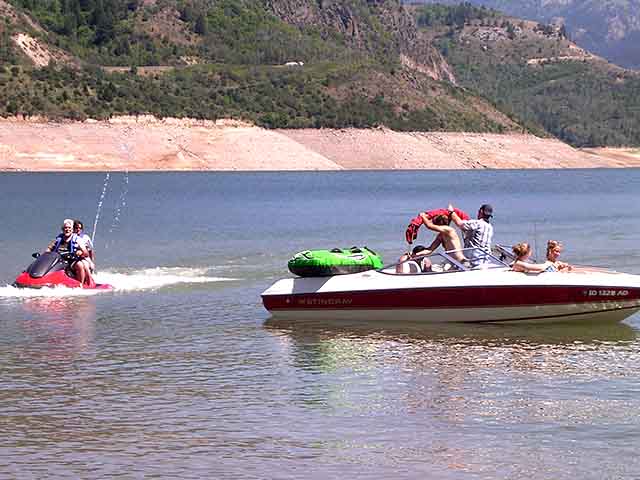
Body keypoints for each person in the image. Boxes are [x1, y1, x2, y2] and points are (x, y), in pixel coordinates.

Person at [45, 218, 93, 287]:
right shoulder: (58, 239)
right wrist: (45, 255)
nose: (67, 229)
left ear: (72, 229)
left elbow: (86, 252)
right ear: (62, 229)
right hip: (58, 260)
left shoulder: (77, 239)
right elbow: (49, 248)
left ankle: (80, 285)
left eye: (69, 228)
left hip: (71, 260)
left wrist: (80, 252)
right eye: (65, 228)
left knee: (80, 265)